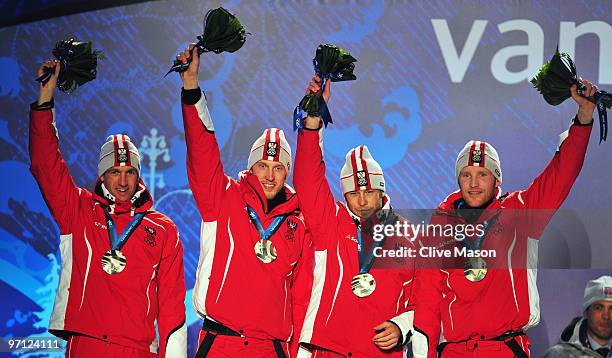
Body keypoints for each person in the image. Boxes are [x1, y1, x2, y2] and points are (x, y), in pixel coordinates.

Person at [413, 78, 599, 358]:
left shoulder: (520, 212)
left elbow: (560, 175)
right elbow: (427, 299)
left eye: (482, 175)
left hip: (502, 349)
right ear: (458, 179)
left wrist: (583, 118)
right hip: (453, 352)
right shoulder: (439, 226)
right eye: (467, 175)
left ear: (496, 179)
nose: (474, 183)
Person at [29, 60, 187, 357]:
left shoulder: (163, 228)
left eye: (130, 172)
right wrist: (44, 100)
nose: (123, 181)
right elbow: (45, 164)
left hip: (138, 349)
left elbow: (171, 304)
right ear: (102, 175)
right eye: (115, 172)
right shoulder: (78, 209)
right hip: (88, 343)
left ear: (139, 176)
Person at [177, 45, 313, 357]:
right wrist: (191, 89)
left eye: (278, 168)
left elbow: (302, 297)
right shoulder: (222, 196)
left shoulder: (299, 222)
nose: (269, 175)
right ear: (251, 167)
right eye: (262, 166)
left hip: (271, 349)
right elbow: (202, 152)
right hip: (221, 343)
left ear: (287, 173)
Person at [293, 75, 421, 357]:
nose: (362, 201)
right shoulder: (332, 221)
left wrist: (403, 326)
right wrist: (313, 120)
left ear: (381, 189)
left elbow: (424, 300)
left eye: (369, 191)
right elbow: (307, 178)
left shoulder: (410, 236)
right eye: (353, 193)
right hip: (329, 350)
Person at [543, 275, 612, 358]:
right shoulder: (559, 355)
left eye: (611, 308)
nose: (606, 316)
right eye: (599, 308)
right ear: (586, 312)